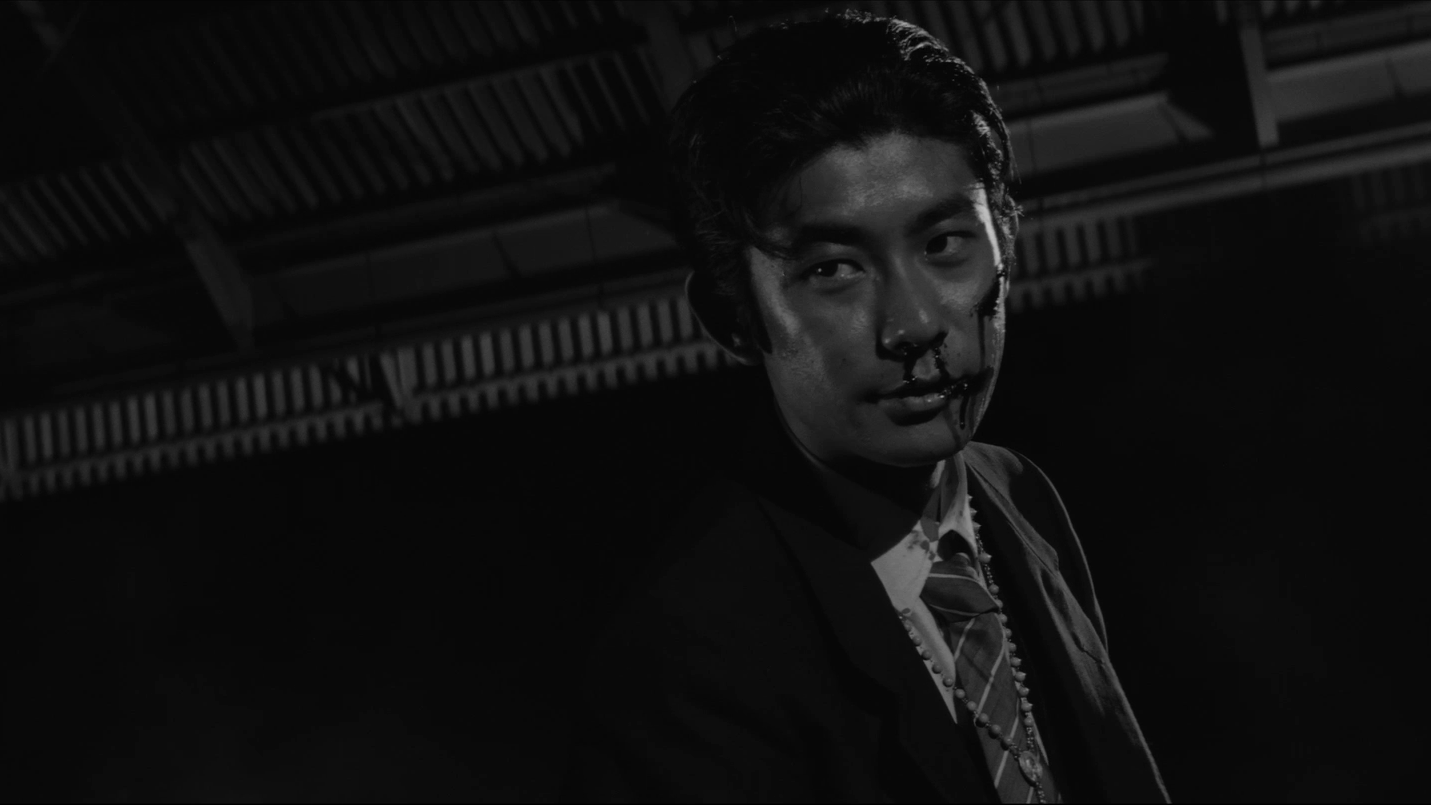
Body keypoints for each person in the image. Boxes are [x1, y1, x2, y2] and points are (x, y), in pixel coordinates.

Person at [561, 10, 1168, 803]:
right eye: (833, 269)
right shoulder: (685, 656)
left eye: (944, 243)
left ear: (1006, 238)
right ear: (730, 316)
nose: (913, 323)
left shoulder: (1019, 495)